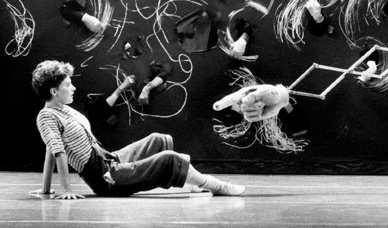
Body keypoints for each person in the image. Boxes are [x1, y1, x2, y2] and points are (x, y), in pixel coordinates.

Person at [29, 60, 245, 199]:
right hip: (105, 178)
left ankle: (193, 183)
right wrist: (66, 190)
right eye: (68, 85)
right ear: (54, 91)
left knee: (158, 139)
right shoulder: (47, 116)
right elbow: (56, 151)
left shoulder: (64, 110)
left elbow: (50, 150)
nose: (73, 87)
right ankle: (215, 185)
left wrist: (47, 190)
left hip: (108, 159)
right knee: (169, 158)